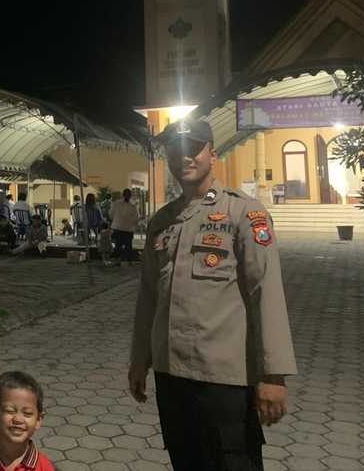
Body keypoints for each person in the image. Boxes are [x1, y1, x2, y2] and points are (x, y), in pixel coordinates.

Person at [129, 119, 297, 471]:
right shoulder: (162, 221)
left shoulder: (244, 213)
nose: (184, 156)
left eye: (194, 148)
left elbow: (265, 291)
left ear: (212, 154)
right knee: (186, 461)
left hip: (223, 379)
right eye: (176, 149)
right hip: (171, 375)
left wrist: (273, 375)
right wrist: (139, 359)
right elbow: (148, 297)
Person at [110, 189, 139, 265]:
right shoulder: (132, 206)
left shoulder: (116, 204)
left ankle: (120, 261)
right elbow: (136, 218)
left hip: (120, 227)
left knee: (120, 245)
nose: (128, 196)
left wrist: (117, 221)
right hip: (126, 228)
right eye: (127, 194)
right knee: (126, 246)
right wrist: (130, 222)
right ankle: (127, 261)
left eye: (128, 194)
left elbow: (111, 215)